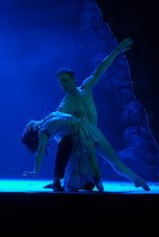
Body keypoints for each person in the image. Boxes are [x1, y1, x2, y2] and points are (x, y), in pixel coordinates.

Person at [49, 38, 150, 192]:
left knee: (114, 160)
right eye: (60, 82)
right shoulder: (65, 104)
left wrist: (117, 50)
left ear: (73, 79)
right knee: (82, 164)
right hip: (81, 137)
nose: (63, 85)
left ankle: (136, 179)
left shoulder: (86, 88)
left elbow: (101, 68)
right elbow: (56, 125)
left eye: (65, 80)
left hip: (94, 132)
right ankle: (61, 180)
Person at [21, 110, 104, 192]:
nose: (27, 124)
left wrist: (35, 170)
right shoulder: (43, 130)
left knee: (82, 156)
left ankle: (59, 180)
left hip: (81, 133)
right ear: (33, 129)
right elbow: (40, 152)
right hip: (82, 133)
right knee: (83, 157)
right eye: (27, 128)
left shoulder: (47, 120)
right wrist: (35, 170)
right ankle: (86, 181)